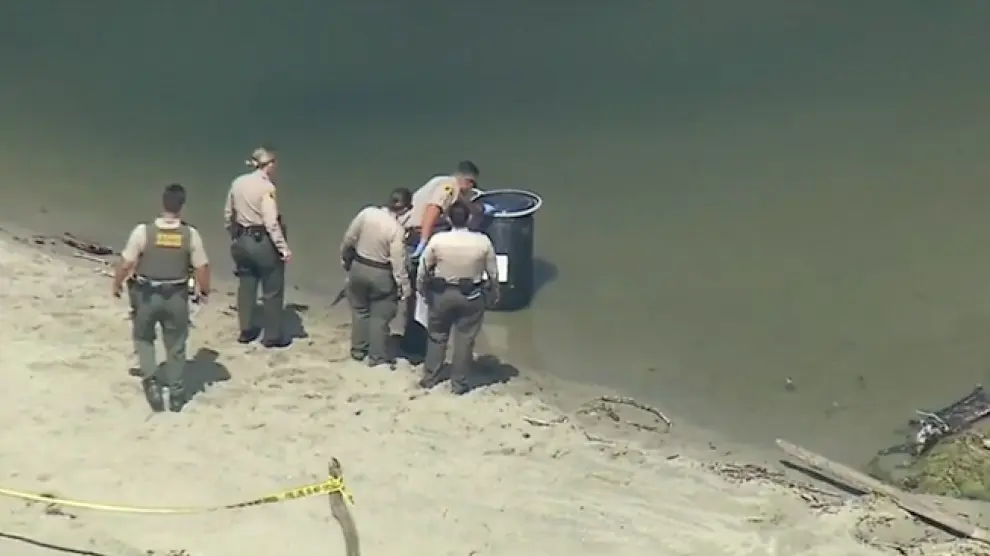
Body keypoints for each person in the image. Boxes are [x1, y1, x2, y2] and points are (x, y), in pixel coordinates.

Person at [112, 183, 211, 412]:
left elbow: (126, 263)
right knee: (176, 344)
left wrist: (116, 283)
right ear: (181, 206)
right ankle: (176, 394)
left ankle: (152, 383)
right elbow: (202, 267)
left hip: (146, 295)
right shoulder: (190, 235)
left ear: (162, 203)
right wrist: (204, 290)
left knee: (144, 338)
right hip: (176, 295)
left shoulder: (143, 232)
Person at [416, 201, 499, 394]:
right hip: (471, 295)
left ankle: (430, 377)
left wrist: (421, 288)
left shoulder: (438, 240)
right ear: (469, 218)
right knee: (465, 339)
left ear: (448, 218)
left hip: (441, 293)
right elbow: (493, 272)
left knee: (437, 336)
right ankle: (459, 383)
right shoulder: (482, 241)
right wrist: (494, 293)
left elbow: (423, 268)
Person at [224, 146, 292, 347]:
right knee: (272, 288)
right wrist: (283, 248)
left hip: (242, 239)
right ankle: (271, 336)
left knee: (246, 285)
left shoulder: (237, 183)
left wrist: (233, 235)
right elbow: (271, 222)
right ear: (268, 165)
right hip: (262, 241)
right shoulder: (267, 189)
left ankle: (246, 330)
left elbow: (228, 214)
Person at [340, 188, 414, 367]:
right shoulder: (396, 230)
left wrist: (345, 261)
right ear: (405, 209)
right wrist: (405, 287)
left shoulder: (367, 213)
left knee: (359, 311)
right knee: (380, 317)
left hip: (359, 266)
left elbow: (349, 239)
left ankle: (358, 350)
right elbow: (398, 262)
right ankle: (377, 357)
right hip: (380, 273)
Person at [407, 160, 493, 257]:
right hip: (415, 232)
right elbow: (432, 211)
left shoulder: (445, 180)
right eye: (472, 184)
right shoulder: (449, 188)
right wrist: (423, 243)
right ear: (468, 182)